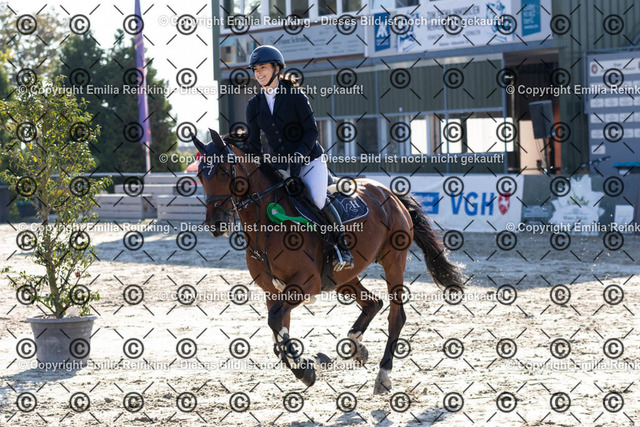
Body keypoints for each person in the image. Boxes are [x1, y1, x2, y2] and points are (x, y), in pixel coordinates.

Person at [245, 45, 353, 271]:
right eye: (255, 69)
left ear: (276, 69)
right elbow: (254, 144)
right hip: (280, 166)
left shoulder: (294, 96)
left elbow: (312, 131)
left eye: (263, 67)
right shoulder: (254, 105)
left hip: (309, 160)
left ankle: (342, 248)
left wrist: (298, 155)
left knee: (317, 200)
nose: (258, 73)